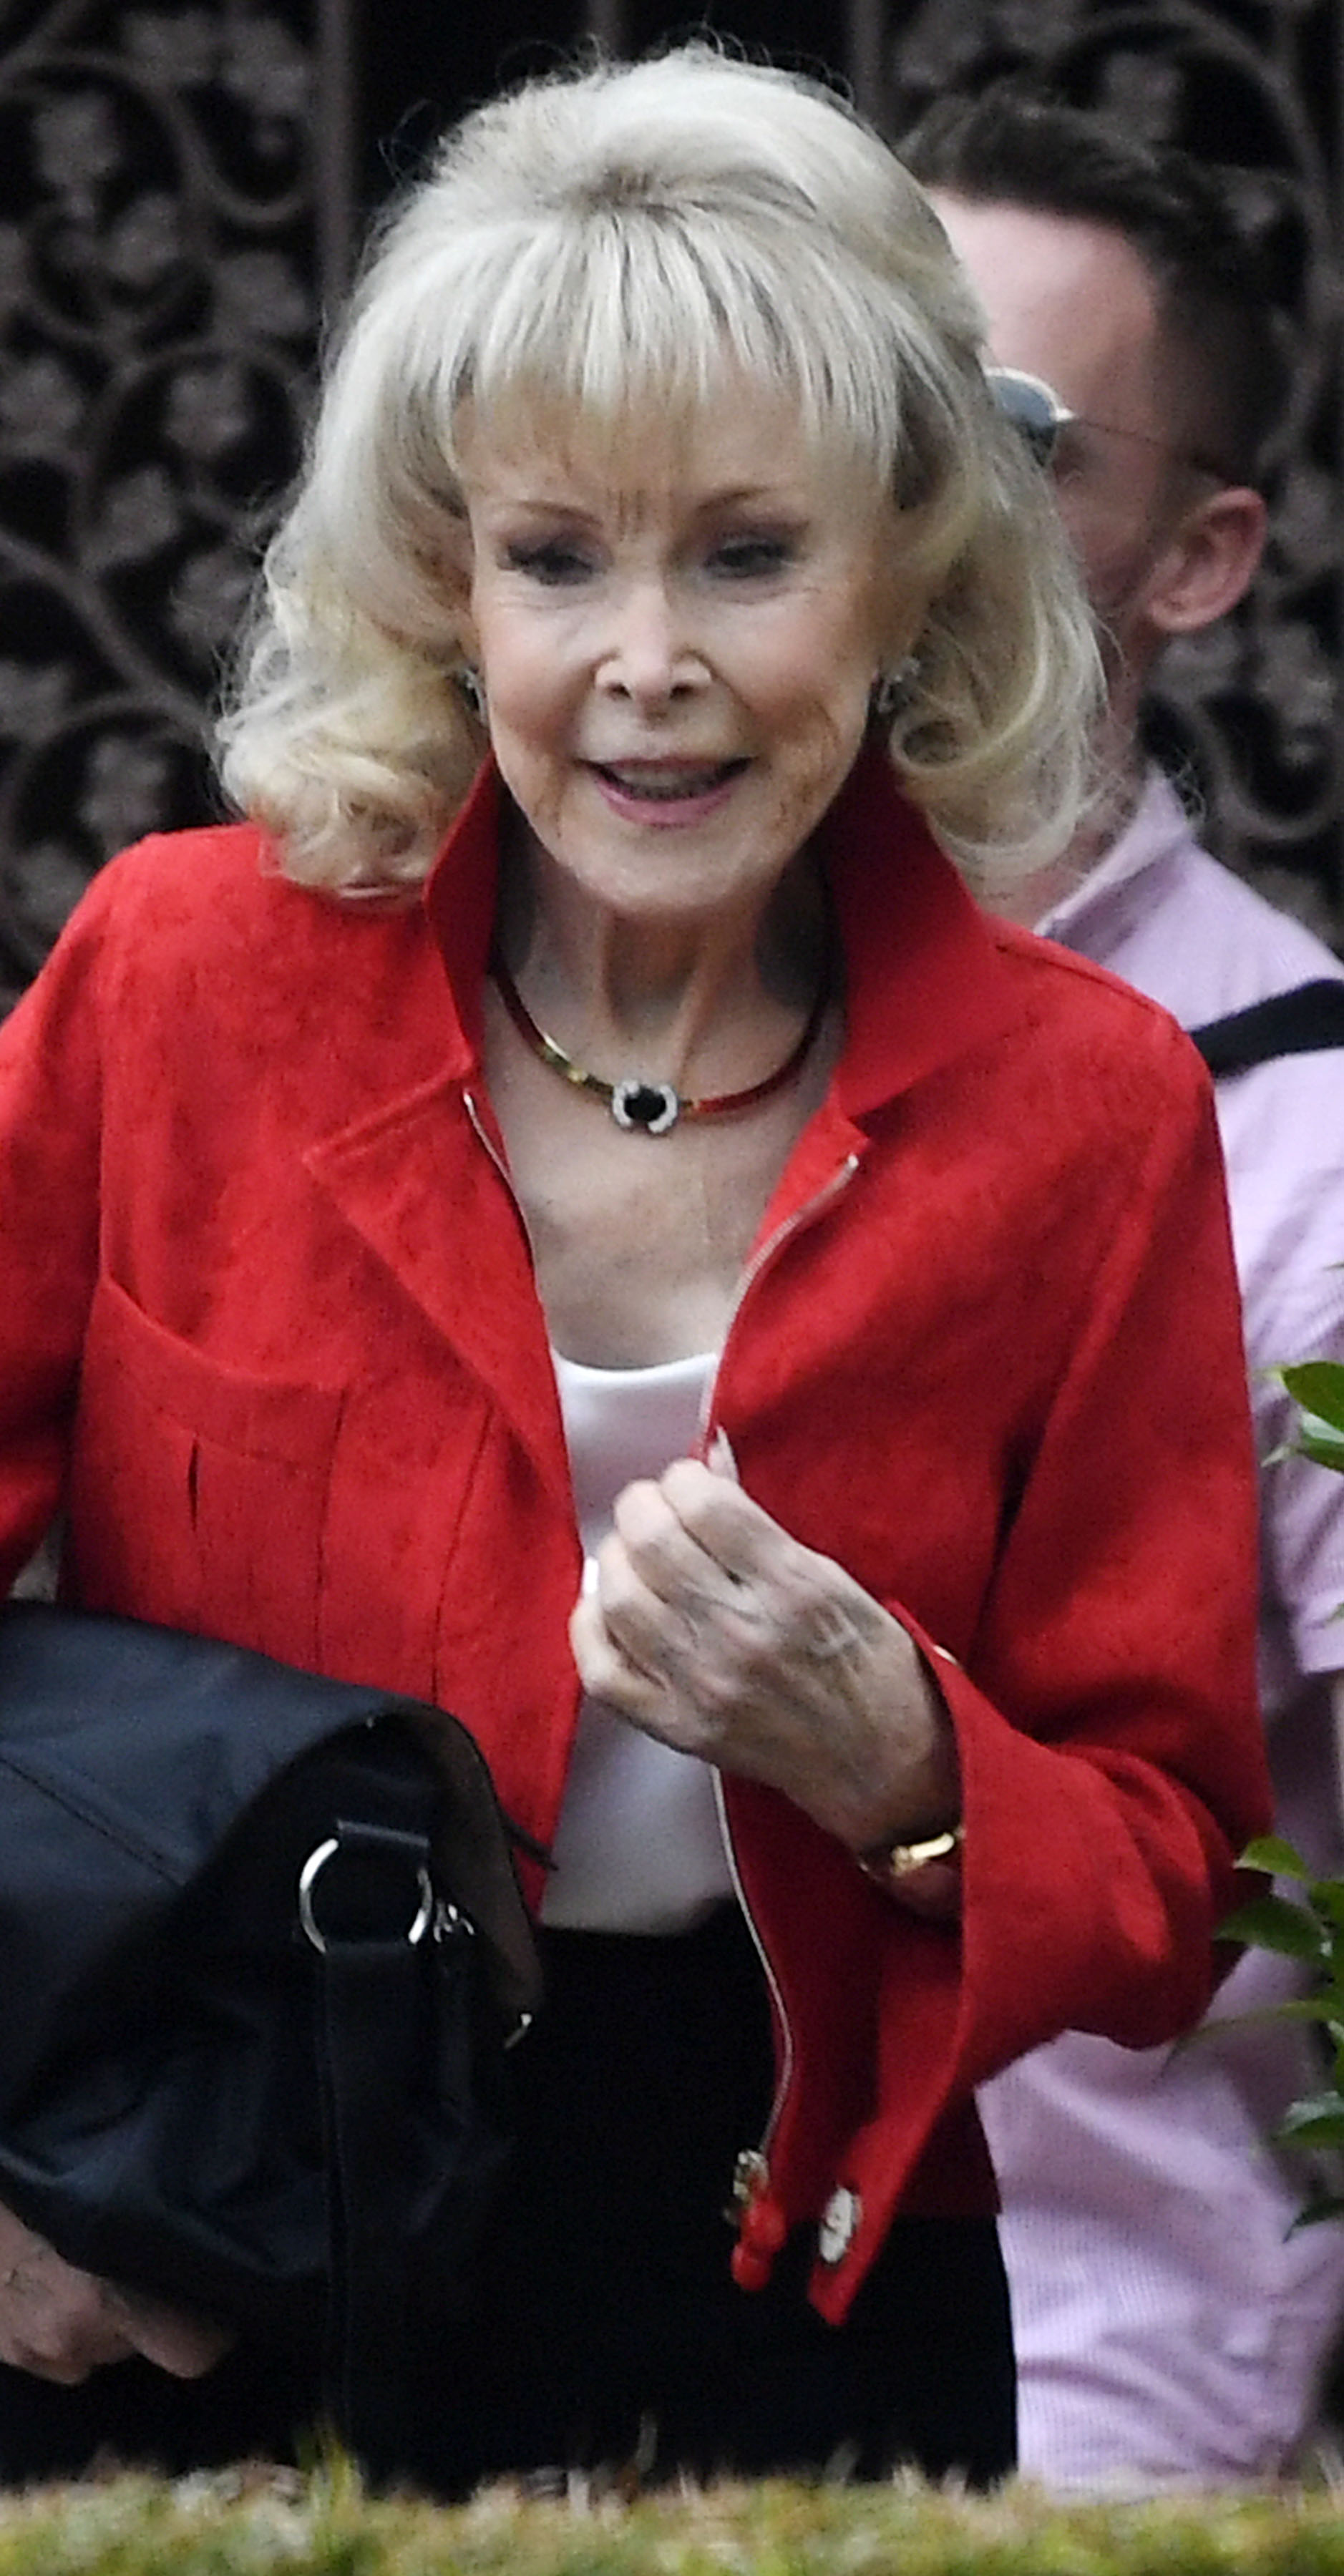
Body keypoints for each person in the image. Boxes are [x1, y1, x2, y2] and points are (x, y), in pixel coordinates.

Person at [0, 46, 1270, 2497]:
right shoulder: (185, 985)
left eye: (746, 555)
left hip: (792, 2317)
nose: (641, 661)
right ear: (446, 586)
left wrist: (904, 1761)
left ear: (909, 569)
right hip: (199, 2263)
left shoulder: (1089, 1110)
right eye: (557, 556)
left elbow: (1167, 1870)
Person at [901, 84, 1344, 2489]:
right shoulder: (588, 1030)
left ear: (1201, 556)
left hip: (1074, 2434)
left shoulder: (1310, 1143)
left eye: (1005, 436)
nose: (909, 505)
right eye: (859, 396)